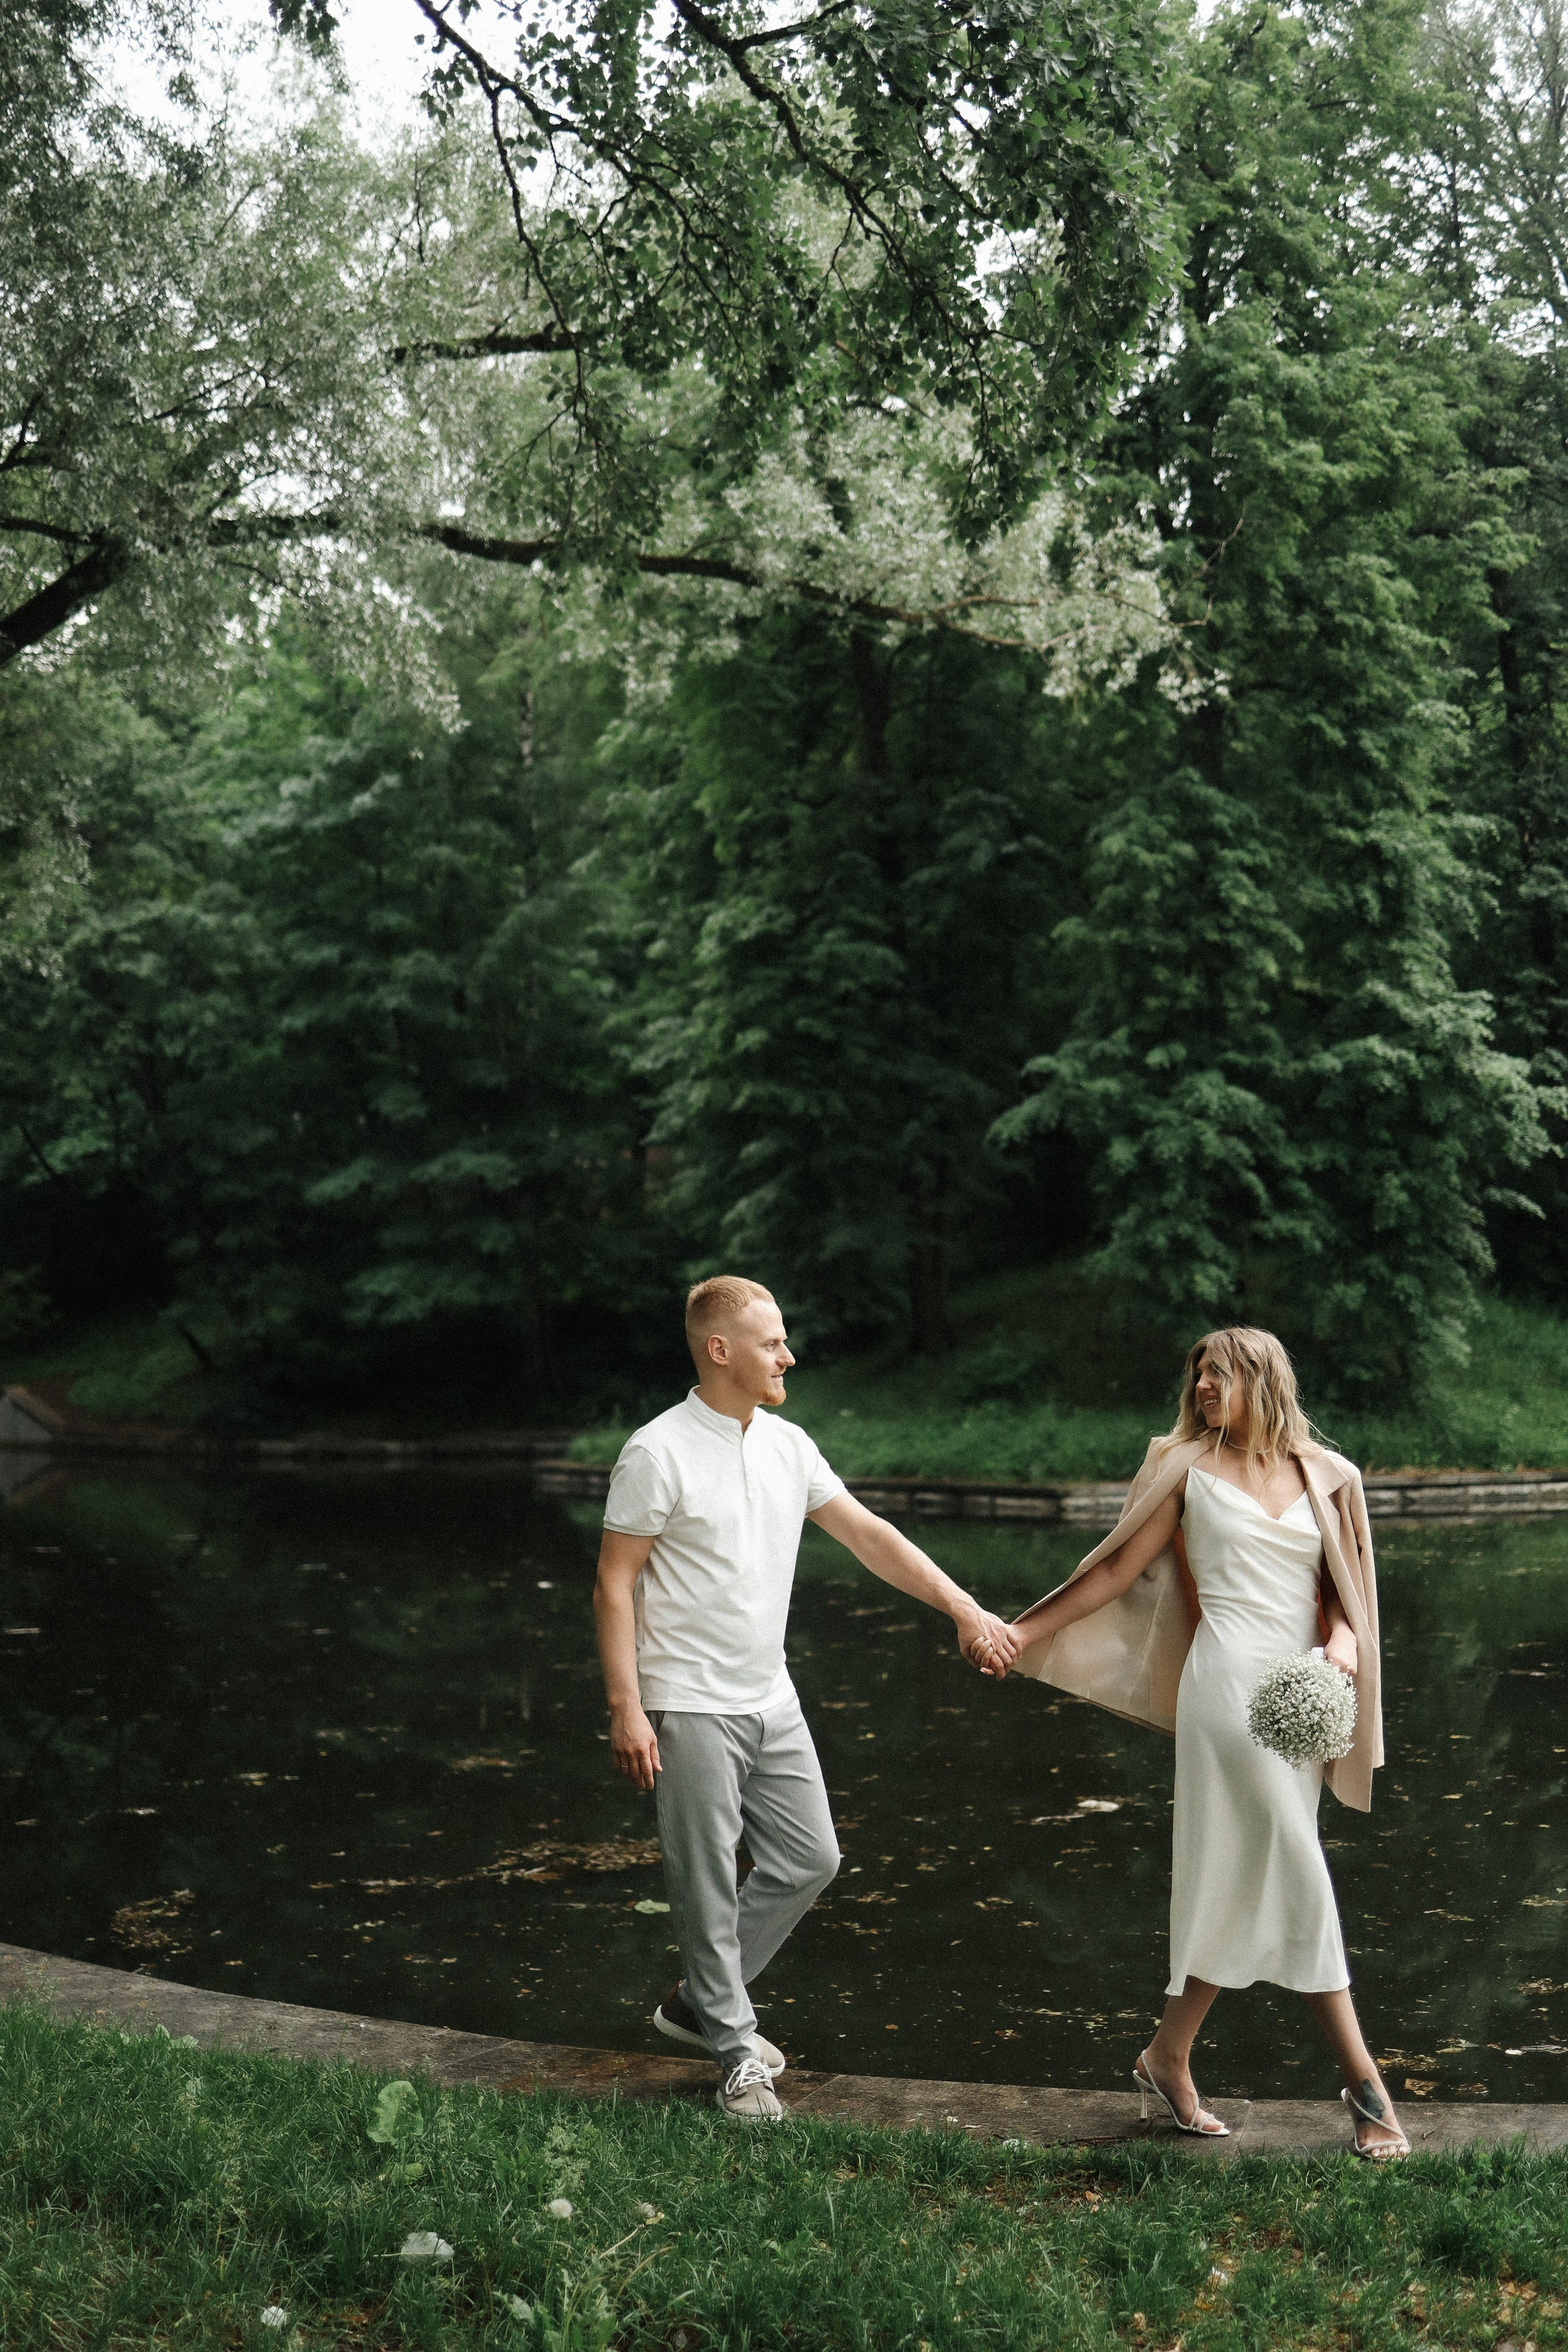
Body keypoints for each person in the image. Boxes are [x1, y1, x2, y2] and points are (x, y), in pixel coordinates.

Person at [593, 1274, 1023, 2120]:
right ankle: (735, 2052)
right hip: (690, 1699)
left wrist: (965, 1609)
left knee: (809, 1858)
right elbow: (614, 1584)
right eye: (772, 1342)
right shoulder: (657, 1451)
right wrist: (627, 1708)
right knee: (705, 1881)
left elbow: (869, 1535)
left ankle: (698, 2003)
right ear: (721, 1351)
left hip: (771, 1694)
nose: (788, 1355)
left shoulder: (788, 1445)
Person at [1009, 1325, 1408, 2160]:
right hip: (1227, 1689)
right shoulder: (1184, 1469)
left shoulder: (1327, 1475)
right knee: (1296, 1863)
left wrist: (1343, 1646)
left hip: (1304, 1698)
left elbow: (1342, 1593)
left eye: (1218, 1373)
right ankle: (1367, 2088)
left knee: (1242, 1872)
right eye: (1198, 1375)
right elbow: (1114, 1571)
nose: (1202, 1388)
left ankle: (1167, 2056)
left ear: (1263, 1379)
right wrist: (1019, 1634)